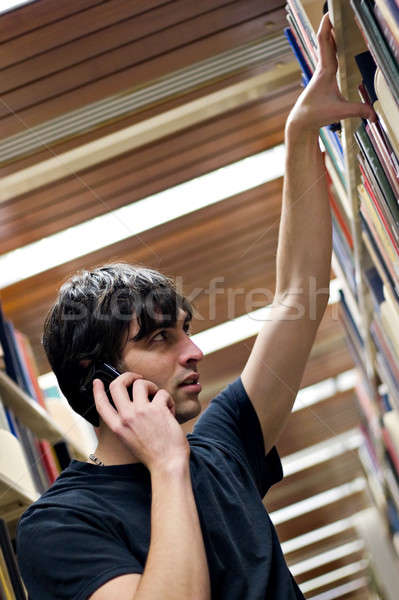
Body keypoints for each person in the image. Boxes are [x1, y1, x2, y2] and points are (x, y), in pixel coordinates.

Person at [16, 13, 375, 600]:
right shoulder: (60, 525)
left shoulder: (220, 443)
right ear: (95, 377)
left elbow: (298, 297)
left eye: (186, 331)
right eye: (159, 340)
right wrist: (165, 466)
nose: (195, 352)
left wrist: (300, 131)